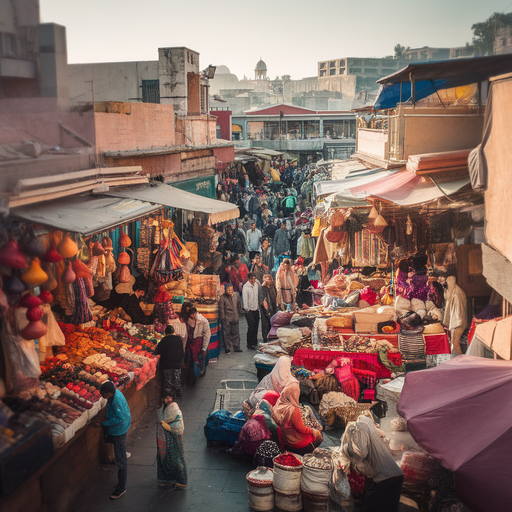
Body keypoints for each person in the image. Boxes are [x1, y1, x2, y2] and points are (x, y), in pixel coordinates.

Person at [341, 415, 404, 512]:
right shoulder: (374, 438)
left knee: (370, 502)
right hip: (397, 474)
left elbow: (360, 456)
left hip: (385, 478)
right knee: (389, 506)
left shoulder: (363, 436)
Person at [93, 381, 132, 500]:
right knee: (117, 449)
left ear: (109, 393)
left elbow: (120, 418)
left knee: (121, 460)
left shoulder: (116, 401)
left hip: (119, 430)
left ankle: (121, 487)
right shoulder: (115, 394)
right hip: (117, 429)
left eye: (104, 394)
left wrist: (102, 424)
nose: (102, 396)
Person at [272, 381, 323, 455]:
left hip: (288, 441)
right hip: (299, 445)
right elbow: (302, 429)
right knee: (319, 433)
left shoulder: (278, 404)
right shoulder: (292, 410)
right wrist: (315, 432)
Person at [157, 389, 188, 489]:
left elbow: (180, 424)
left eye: (169, 398)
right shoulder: (162, 409)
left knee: (176, 459)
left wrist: (170, 427)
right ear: (162, 399)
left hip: (174, 438)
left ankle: (181, 481)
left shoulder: (174, 408)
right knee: (164, 459)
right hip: (163, 438)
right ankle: (166, 480)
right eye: (166, 398)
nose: (168, 400)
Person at [153, 325, 185, 398]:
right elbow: (182, 351)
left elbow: (157, 351)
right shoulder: (179, 339)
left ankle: (168, 393)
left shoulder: (164, 340)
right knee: (177, 377)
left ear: (166, 333)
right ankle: (178, 390)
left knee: (168, 379)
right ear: (173, 331)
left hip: (167, 364)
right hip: (177, 363)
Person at [184, 307, 211, 385]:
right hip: (190, 342)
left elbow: (207, 335)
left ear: (195, 313)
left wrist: (204, 348)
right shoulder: (188, 319)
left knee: (200, 357)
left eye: (193, 314)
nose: (192, 316)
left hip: (199, 341)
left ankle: (201, 369)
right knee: (190, 359)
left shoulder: (203, 321)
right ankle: (191, 375)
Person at [218, 283, 242, 354]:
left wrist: (237, 314)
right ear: (225, 290)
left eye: (231, 289)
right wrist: (223, 319)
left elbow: (239, 306)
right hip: (227, 318)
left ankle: (236, 347)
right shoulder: (222, 298)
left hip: (235, 317)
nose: (230, 291)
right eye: (228, 290)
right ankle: (227, 348)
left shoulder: (236, 296)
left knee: (236, 333)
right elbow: (221, 309)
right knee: (226, 333)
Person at [242, 272, 261, 350]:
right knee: (251, 326)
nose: (253, 280)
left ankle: (254, 342)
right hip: (249, 310)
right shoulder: (246, 287)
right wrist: (246, 308)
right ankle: (249, 343)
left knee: (256, 326)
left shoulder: (256, 285)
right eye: (252, 279)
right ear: (249, 279)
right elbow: (245, 298)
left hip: (256, 309)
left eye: (254, 279)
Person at [260, 274, 277, 343]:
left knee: (272, 322)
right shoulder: (263, 288)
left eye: (269, 279)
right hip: (266, 308)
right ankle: (265, 337)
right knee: (265, 323)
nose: (268, 281)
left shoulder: (272, 286)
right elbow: (262, 299)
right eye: (266, 279)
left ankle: (271, 336)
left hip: (273, 307)